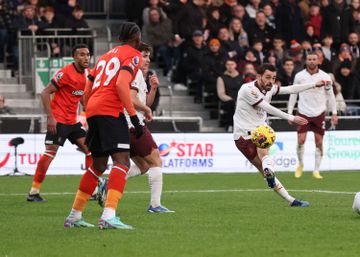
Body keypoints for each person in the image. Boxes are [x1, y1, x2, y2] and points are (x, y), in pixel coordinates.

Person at [64, 22, 151, 230]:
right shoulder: (133, 55)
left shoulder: (105, 55)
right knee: (122, 162)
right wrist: (134, 117)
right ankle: (108, 216)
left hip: (93, 109)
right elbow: (122, 84)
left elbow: (88, 83)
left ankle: (74, 216)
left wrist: (89, 107)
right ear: (137, 38)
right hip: (110, 110)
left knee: (98, 165)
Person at [233, 63, 330, 207]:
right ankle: (276, 181)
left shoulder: (269, 88)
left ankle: (287, 195)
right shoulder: (248, 89)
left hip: (260, 131)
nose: (271, 81)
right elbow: (267, 107)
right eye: (267, 77)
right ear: (258, 76)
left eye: (273, 78)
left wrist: (314, 84)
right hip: (243, 137)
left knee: (265, 156)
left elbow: (290, 89)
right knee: (263, 166)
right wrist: (291, 117)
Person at [98, 42, 174, 213]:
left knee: (144, 166)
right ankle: (155, 205)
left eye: (149, 56)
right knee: (156, 161)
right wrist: (147, 110)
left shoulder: (137, 74)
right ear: (135, 55)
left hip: (124, 125)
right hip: (133, 125)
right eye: (144, 55)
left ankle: (107, 183)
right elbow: (132, 100)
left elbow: (144, 101)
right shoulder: (135, 72)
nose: (147, 60)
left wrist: (153, 89)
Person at [26, 44, 91, 202]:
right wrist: (51, 118)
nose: (86, 58)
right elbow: (45, 92)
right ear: (74, 58)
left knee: (91, 151)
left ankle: (92, 189)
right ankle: (33, 192)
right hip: (59, 121)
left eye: (88, 54)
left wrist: (90, 112)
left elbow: (81, 97)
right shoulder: (65, 73)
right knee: (50, 154)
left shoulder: (87, 74)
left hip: (73, 122)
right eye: (81, 55)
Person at [288, 52, 338, 179]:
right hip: (303, 112)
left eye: (314, 59)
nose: (311, 61)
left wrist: (334, 113)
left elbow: (330, 95)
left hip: (319, 113)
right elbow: (293, 93)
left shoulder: (325, 77)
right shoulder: (299, 76)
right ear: (306, 61)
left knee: (319, 143)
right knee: (300, 140)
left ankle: (316, 170)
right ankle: (300, 164)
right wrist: (289, 112)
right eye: (309, 59)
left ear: (319, 61)